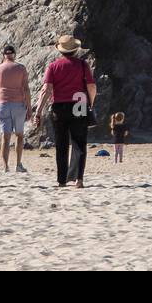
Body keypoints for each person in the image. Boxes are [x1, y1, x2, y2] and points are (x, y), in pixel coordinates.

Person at [33, 35, 96, 189]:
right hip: (79, 102)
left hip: (59, 106)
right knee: (79, 143)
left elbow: (46, 90)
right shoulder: (82, 65)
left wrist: (39, 111)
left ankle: (62, 180)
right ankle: (78, 179)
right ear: (75, 50)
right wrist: (91, 103)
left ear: (61, 50)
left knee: (61, 144)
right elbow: (91, 87)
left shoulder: (53, 66)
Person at [0, 46, 31, 173]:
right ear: (14, 54)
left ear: (4, 55)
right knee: (19, 135)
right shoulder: (21, 68)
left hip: (3, 103)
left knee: (5, 136)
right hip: (18, 104)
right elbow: (26, 89)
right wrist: (29, 107)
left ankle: (5, 166)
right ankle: (18, 164)